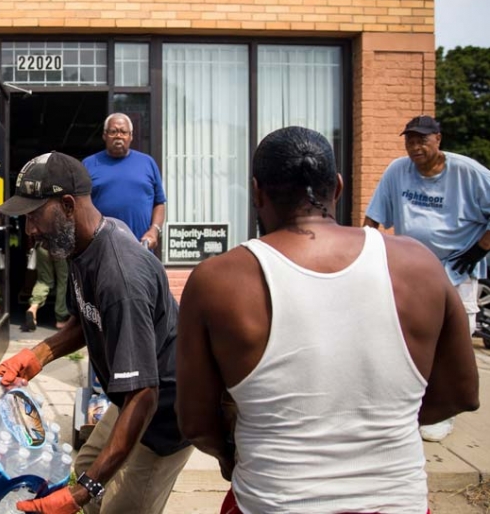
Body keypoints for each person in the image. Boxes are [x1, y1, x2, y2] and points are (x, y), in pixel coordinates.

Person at [176, 126, 479, 514]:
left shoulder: (219, 280)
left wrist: (229, 456)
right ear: (337, 187)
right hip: (397, 501)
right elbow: (463, 393)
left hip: (271, 501)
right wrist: (377, 424)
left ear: (256, 192)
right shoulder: (418, 264)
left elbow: (196, 422)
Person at [0, 152, 191, 514]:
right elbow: (85, 319)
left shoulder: (120, 277)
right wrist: (38, 354)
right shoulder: (82, 246)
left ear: (68, 205)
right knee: (85, 470)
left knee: (113, 503)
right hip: (129, 398)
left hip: (162, 416)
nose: (30, 230)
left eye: (34, 216)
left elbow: (145, 393)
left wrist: (81, 493)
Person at [364, 114, 490, 442]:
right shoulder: (397, 171)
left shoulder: (470, 173)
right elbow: (373, 218)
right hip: (414, 267)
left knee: (456, 334)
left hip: (458, 265)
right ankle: (410, 403)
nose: (415, 146)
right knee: (410, 334)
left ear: (438, 140)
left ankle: (445, 409)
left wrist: (477, 251)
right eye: (410, 140)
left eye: (422, 140)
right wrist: (363, 253)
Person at [82, 113, 166, 251]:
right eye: (113, 131)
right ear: (104, 135)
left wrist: (154, 231)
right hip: (102, 249)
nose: (118, 136)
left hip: (140, 247)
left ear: (131, 136)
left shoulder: (147, 163)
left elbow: (159, 203)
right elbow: (82, 206)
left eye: (123, 132)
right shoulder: (89, 164)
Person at [24, 244, 69, 332]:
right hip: (60, 246)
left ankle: (33, 307)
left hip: (42, 246)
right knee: (63, 281)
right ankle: (61, 318)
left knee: (43, 281)